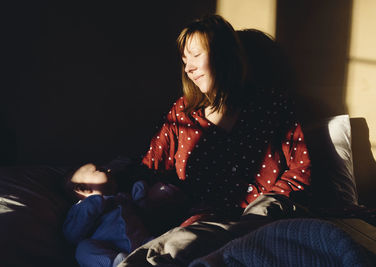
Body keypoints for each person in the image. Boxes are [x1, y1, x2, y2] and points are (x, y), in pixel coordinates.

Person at [117, 14, 311, 266]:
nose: (188, 68)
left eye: (196, 55)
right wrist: (109, 178)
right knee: (179, 243)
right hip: (205, 222)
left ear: (224, 55)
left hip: (265, 216)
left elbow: (300, 171)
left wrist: (256, 215)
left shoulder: (272, 106)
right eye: (185, 60)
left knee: (268, 214)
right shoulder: (183, 113)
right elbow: (149, 167)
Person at [63, 157, 186, 267]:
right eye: (100, 170)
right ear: (83, 188)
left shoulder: (121, 197)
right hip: (110, 248)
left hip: (142, 242)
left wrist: (140, 196)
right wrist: (94, 202)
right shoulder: (81, 208)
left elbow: (143, 213)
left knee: (172, 241)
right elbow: (72, 235)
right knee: (83, 249)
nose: (109, 170)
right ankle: (117, 264)